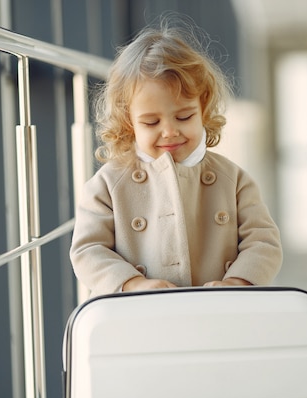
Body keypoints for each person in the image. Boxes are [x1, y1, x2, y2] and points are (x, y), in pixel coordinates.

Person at [70, 16, 282, 297]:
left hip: (218, 314)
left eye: (184, 116)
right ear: (127, 121)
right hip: (139, 319)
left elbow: (264, 242)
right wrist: (133, 283)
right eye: (151, 123)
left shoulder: (233, 180)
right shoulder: (108, 185)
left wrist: (237, 283)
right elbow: (88, 250)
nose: (169, 132)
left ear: (203, 108)